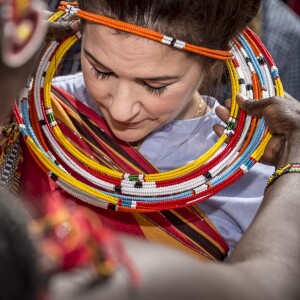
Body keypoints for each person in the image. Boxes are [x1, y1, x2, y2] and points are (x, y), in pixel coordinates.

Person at [0, 1, 300, 299]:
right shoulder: (26, 119)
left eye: (155, 86)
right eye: (100, 70)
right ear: (79, 33)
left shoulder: (257, 187)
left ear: (215, 63)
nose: (121, 109)